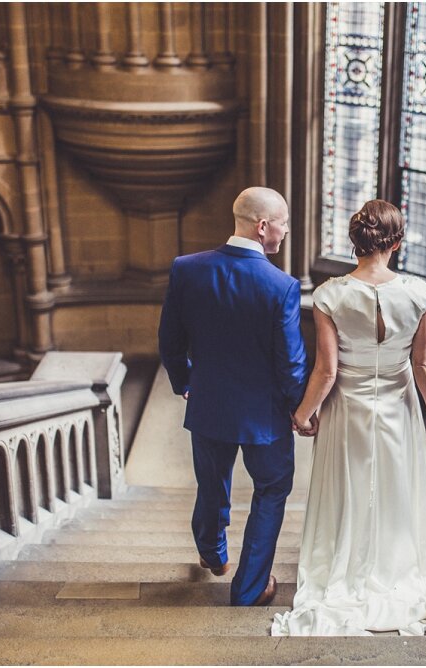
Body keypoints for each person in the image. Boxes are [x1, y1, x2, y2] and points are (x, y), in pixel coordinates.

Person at [272, 200, 426, 636]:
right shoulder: (418, 294)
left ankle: (350, 564)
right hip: (399, 406)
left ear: (356, 243)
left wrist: (302, 415)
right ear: (396, 242)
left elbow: (327, 370)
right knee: (397, 487)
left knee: (350, 487)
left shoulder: (329, 295)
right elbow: (425, 363)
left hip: (346, 410)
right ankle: (394, 563)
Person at [158, 186, 309, 607]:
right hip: (265, 416)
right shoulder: (281, 286)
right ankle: (247, 589)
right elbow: (292, 363)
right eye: (283, 223)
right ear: (263, 227)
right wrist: (301, 412)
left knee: (211, 485)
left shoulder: (186, 269)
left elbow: (169, 340)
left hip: (207, 404)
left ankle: (212, 554)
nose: (285, 231)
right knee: (272, 490)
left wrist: (185, 383)